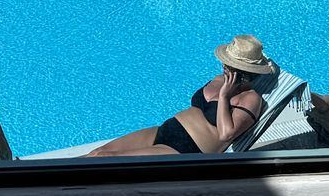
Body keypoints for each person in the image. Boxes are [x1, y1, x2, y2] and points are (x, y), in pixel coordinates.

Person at [87, 36, 275, 156]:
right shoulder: (219, 78)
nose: (224, 66)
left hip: (186, 149)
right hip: (165, 129)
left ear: (244, 70)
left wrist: (225, 96)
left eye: (229, 64)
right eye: (225, 62)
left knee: (106, 159)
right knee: (97, 153)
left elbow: (227, 134)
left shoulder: (251, 98)